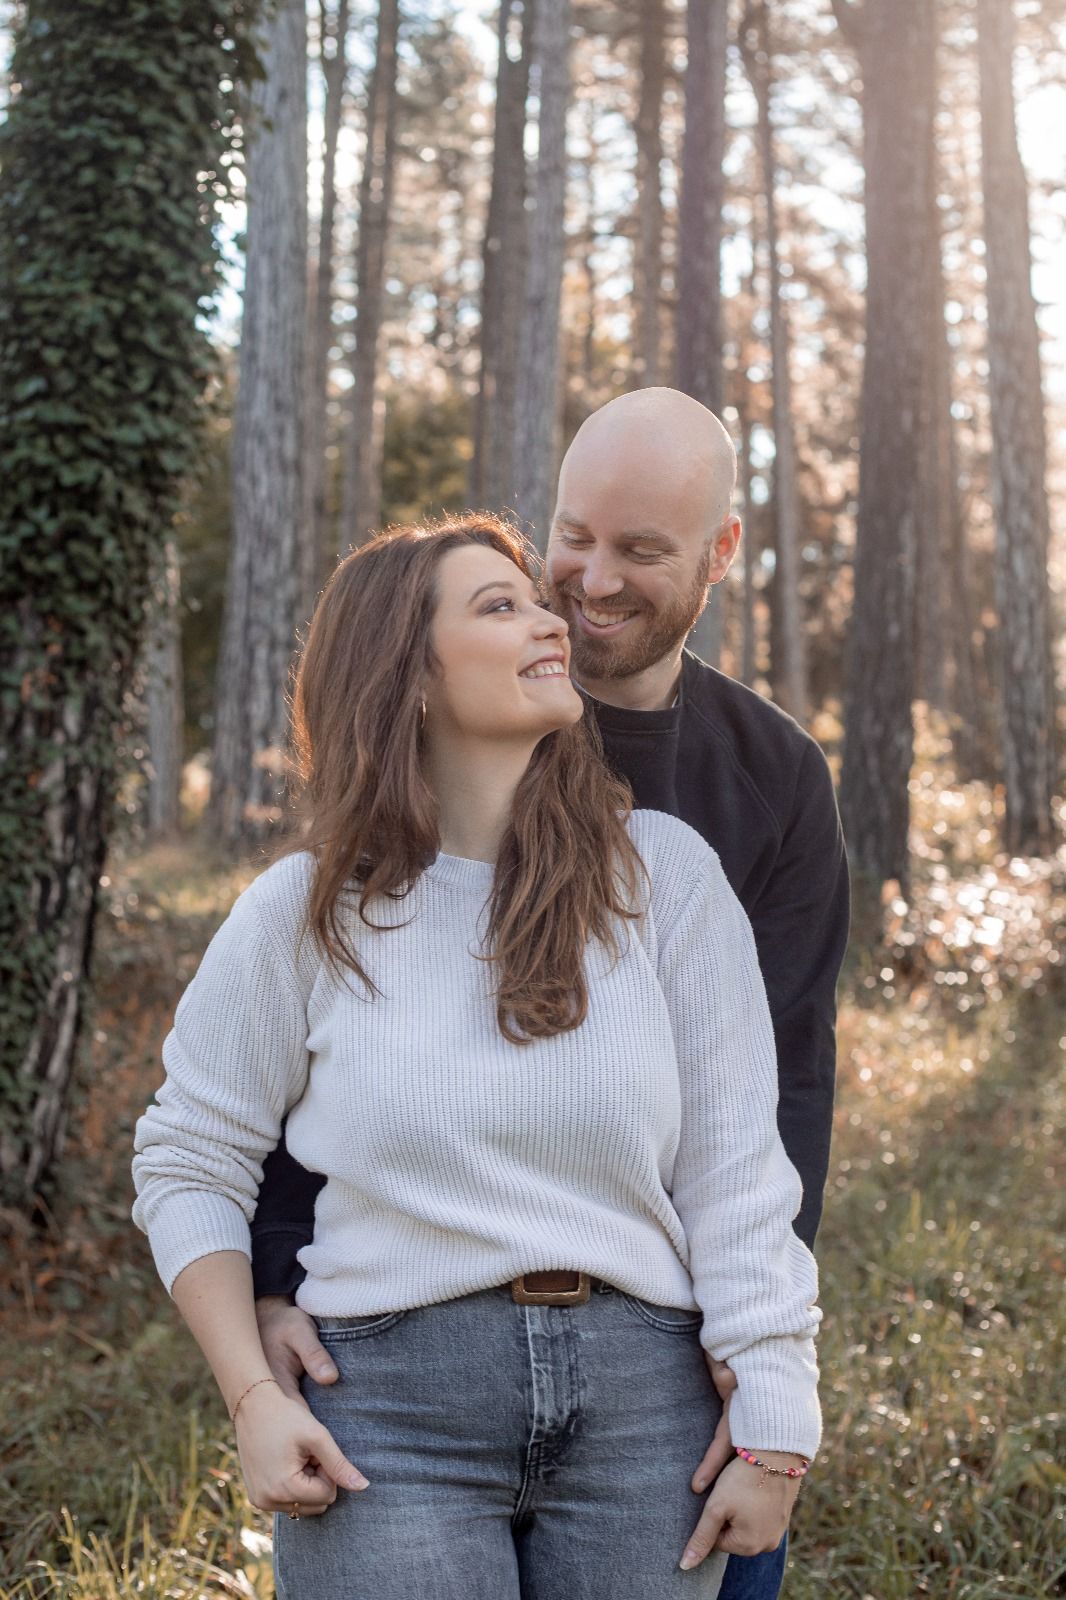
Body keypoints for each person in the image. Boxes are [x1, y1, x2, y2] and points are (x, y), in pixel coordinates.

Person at [133, 512, 823, 1600]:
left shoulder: (663, 877)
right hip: (387, 1418)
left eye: (538, 602)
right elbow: (188, 1159)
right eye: (501, 607)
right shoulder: (306, 911)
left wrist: (776, 1423)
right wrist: (252, 1396)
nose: (552, 623)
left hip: (648, 1410)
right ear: (409, 675)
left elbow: (736, 1168)